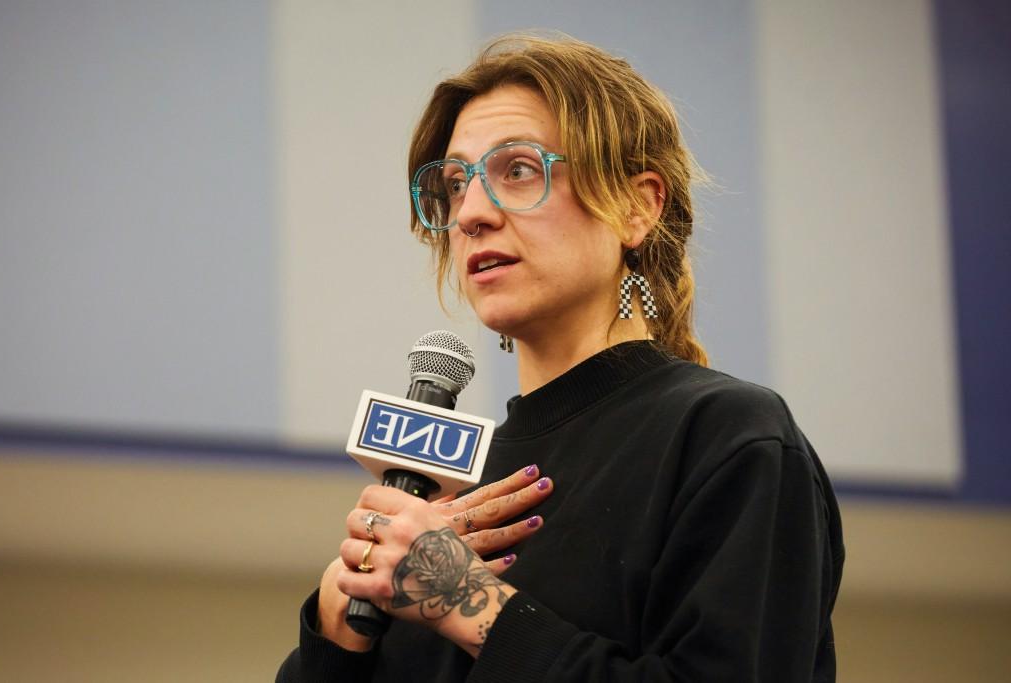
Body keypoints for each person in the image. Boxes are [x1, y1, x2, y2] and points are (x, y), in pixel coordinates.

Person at [278, 34, 843, 682]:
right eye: (455, 183)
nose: (470, 214)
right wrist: (335, 631)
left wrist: (466, 598)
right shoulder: (453, 491)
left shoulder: (726, 436)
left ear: (637, 207)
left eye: (517, 169)